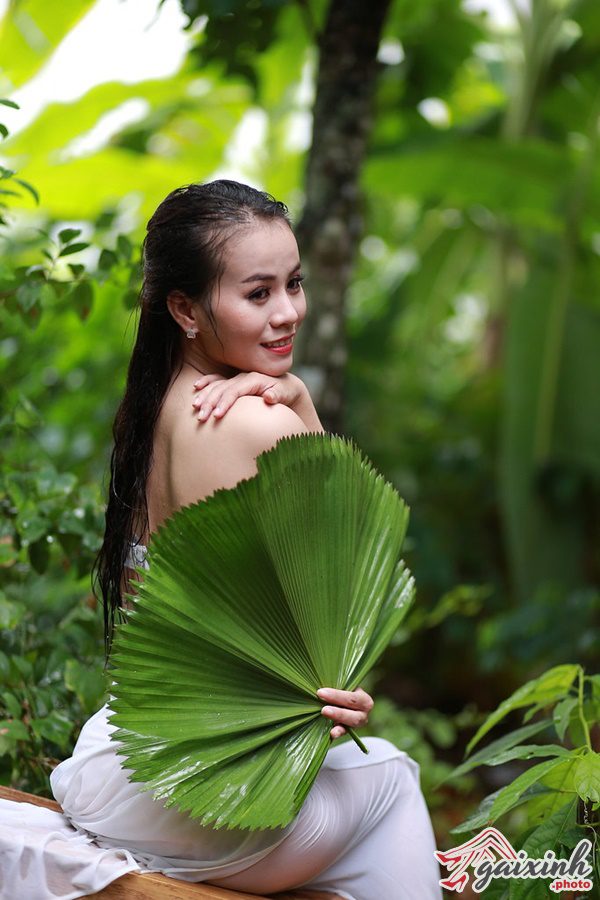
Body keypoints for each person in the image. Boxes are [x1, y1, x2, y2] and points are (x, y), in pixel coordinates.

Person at [1, 180, 442, 900]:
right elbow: (350, 592)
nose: (288, 312)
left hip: (118, 767)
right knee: (393, 781)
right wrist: (297, 411)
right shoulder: (254, 424)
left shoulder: (157, 409)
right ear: (185, 308)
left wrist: (297, 396)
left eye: (293, 285)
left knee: (373, 773)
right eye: (258, 293)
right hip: (202, 806)